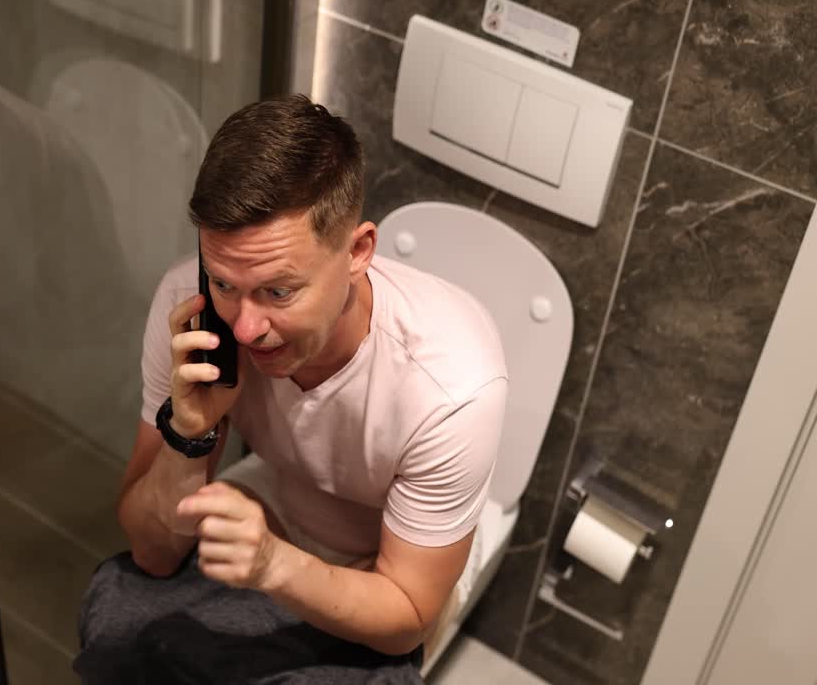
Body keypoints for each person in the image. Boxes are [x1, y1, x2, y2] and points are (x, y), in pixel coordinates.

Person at [74, 95, 507, 683]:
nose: (246, 327)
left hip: (388, 563)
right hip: (275, 500)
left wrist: (274, 566)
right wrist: (190, 436)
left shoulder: (449, 386)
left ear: (358, 253)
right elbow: (152, 553)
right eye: (225, 282)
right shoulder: (191, 309)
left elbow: (409, 615)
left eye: (279, 292)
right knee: (116, 624)